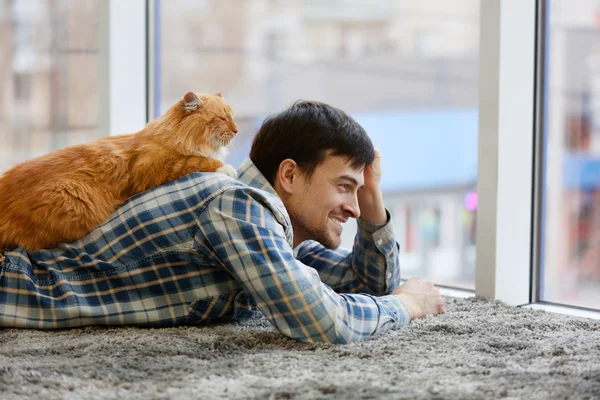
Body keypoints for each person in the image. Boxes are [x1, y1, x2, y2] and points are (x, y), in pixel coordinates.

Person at [0, 101, 445, 343]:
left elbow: (368, 285)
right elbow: (321, 321)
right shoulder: (233, 206)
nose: (351, 207)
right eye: (345, 187)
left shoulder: (274, 231)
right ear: (289, 175)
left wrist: (372, 198)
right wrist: (408, 306)